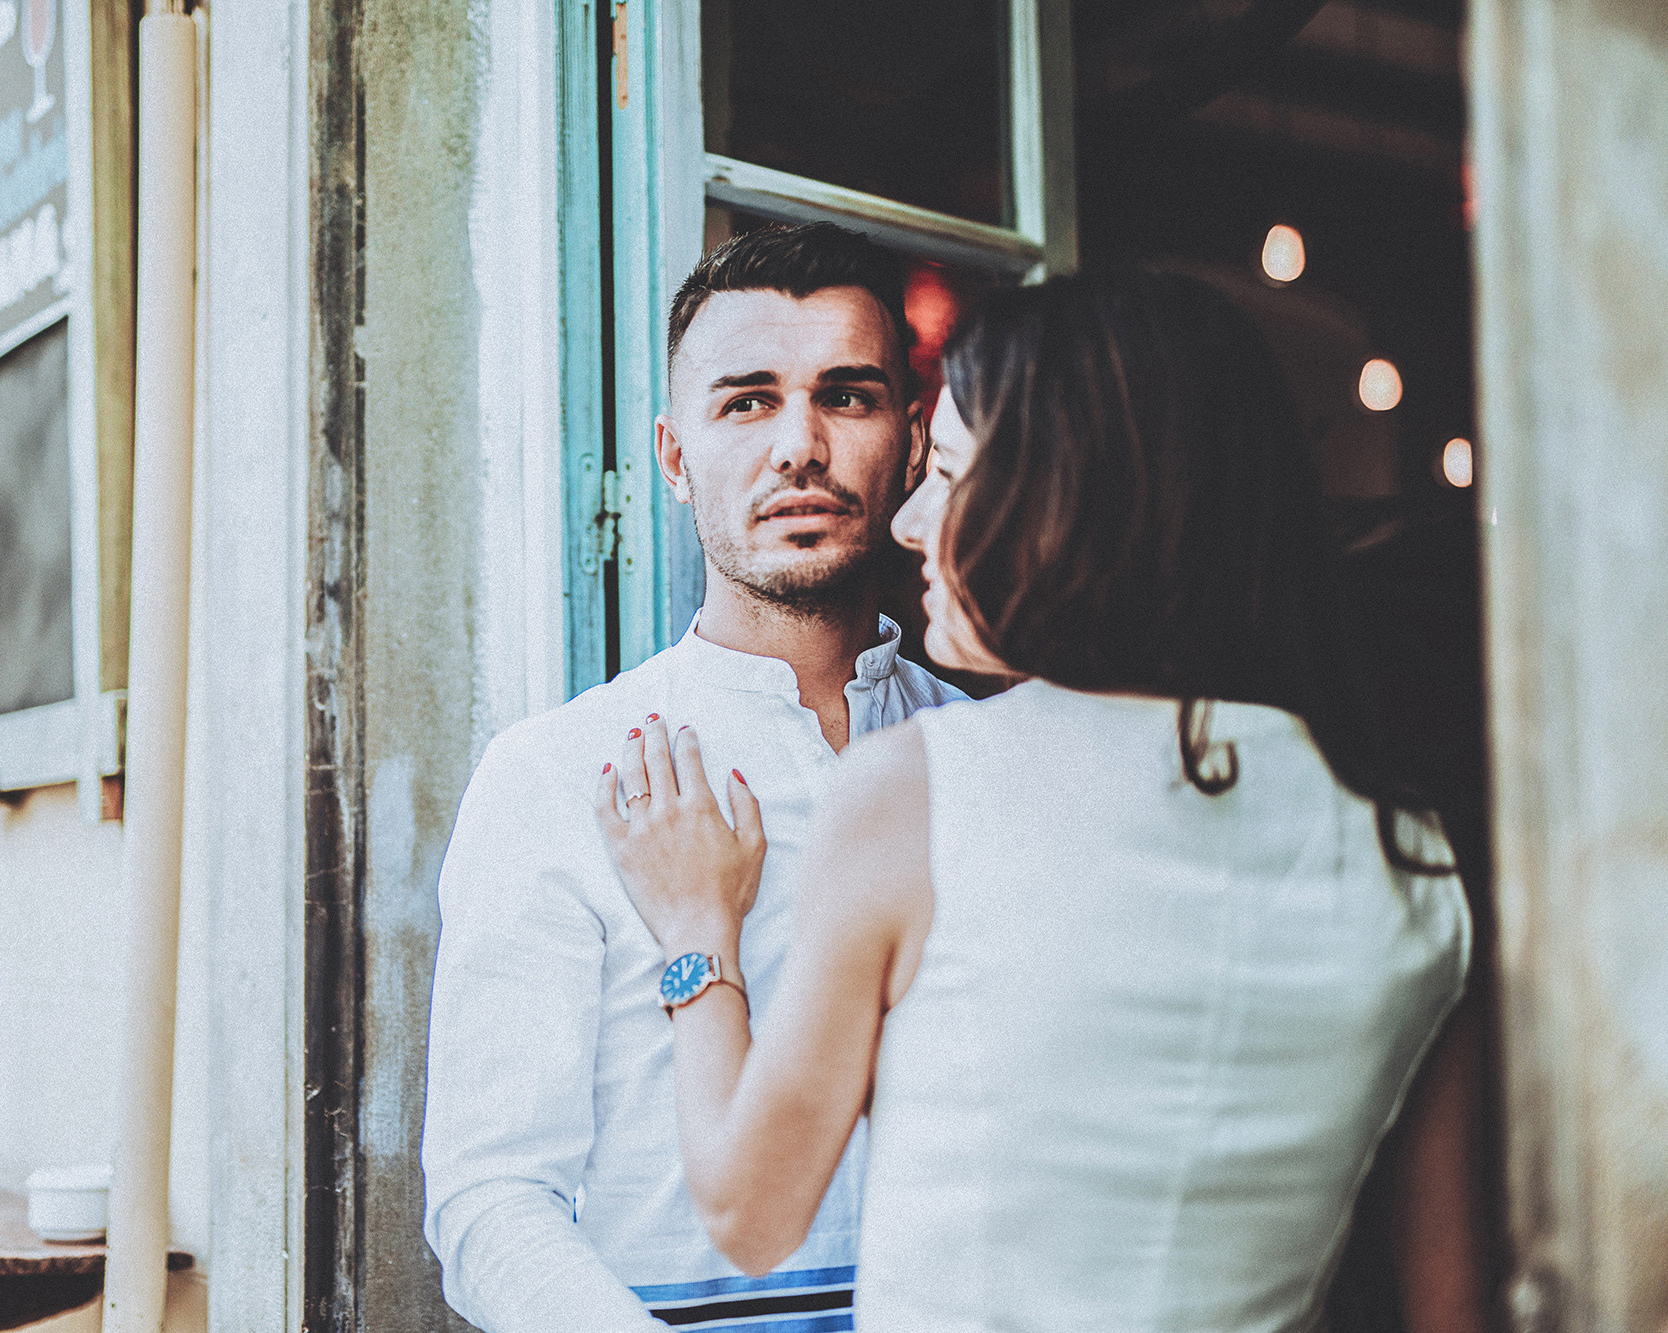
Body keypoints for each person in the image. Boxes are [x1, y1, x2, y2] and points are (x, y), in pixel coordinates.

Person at [597, 271, 1483, 1331]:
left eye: (954, 473)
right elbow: (1451, 1305)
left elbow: (749, 1210)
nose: (913, 521)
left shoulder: (918, 789)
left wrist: (697, 932)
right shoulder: (1411, 852)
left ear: (1078, 503)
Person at [421, 223, 965, 1332]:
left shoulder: (984, 755)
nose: (798, 447)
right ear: (673, 459)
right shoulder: (555, 773)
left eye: (847, 397)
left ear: (912, 444)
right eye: (747, 402)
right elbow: (490, 1201)